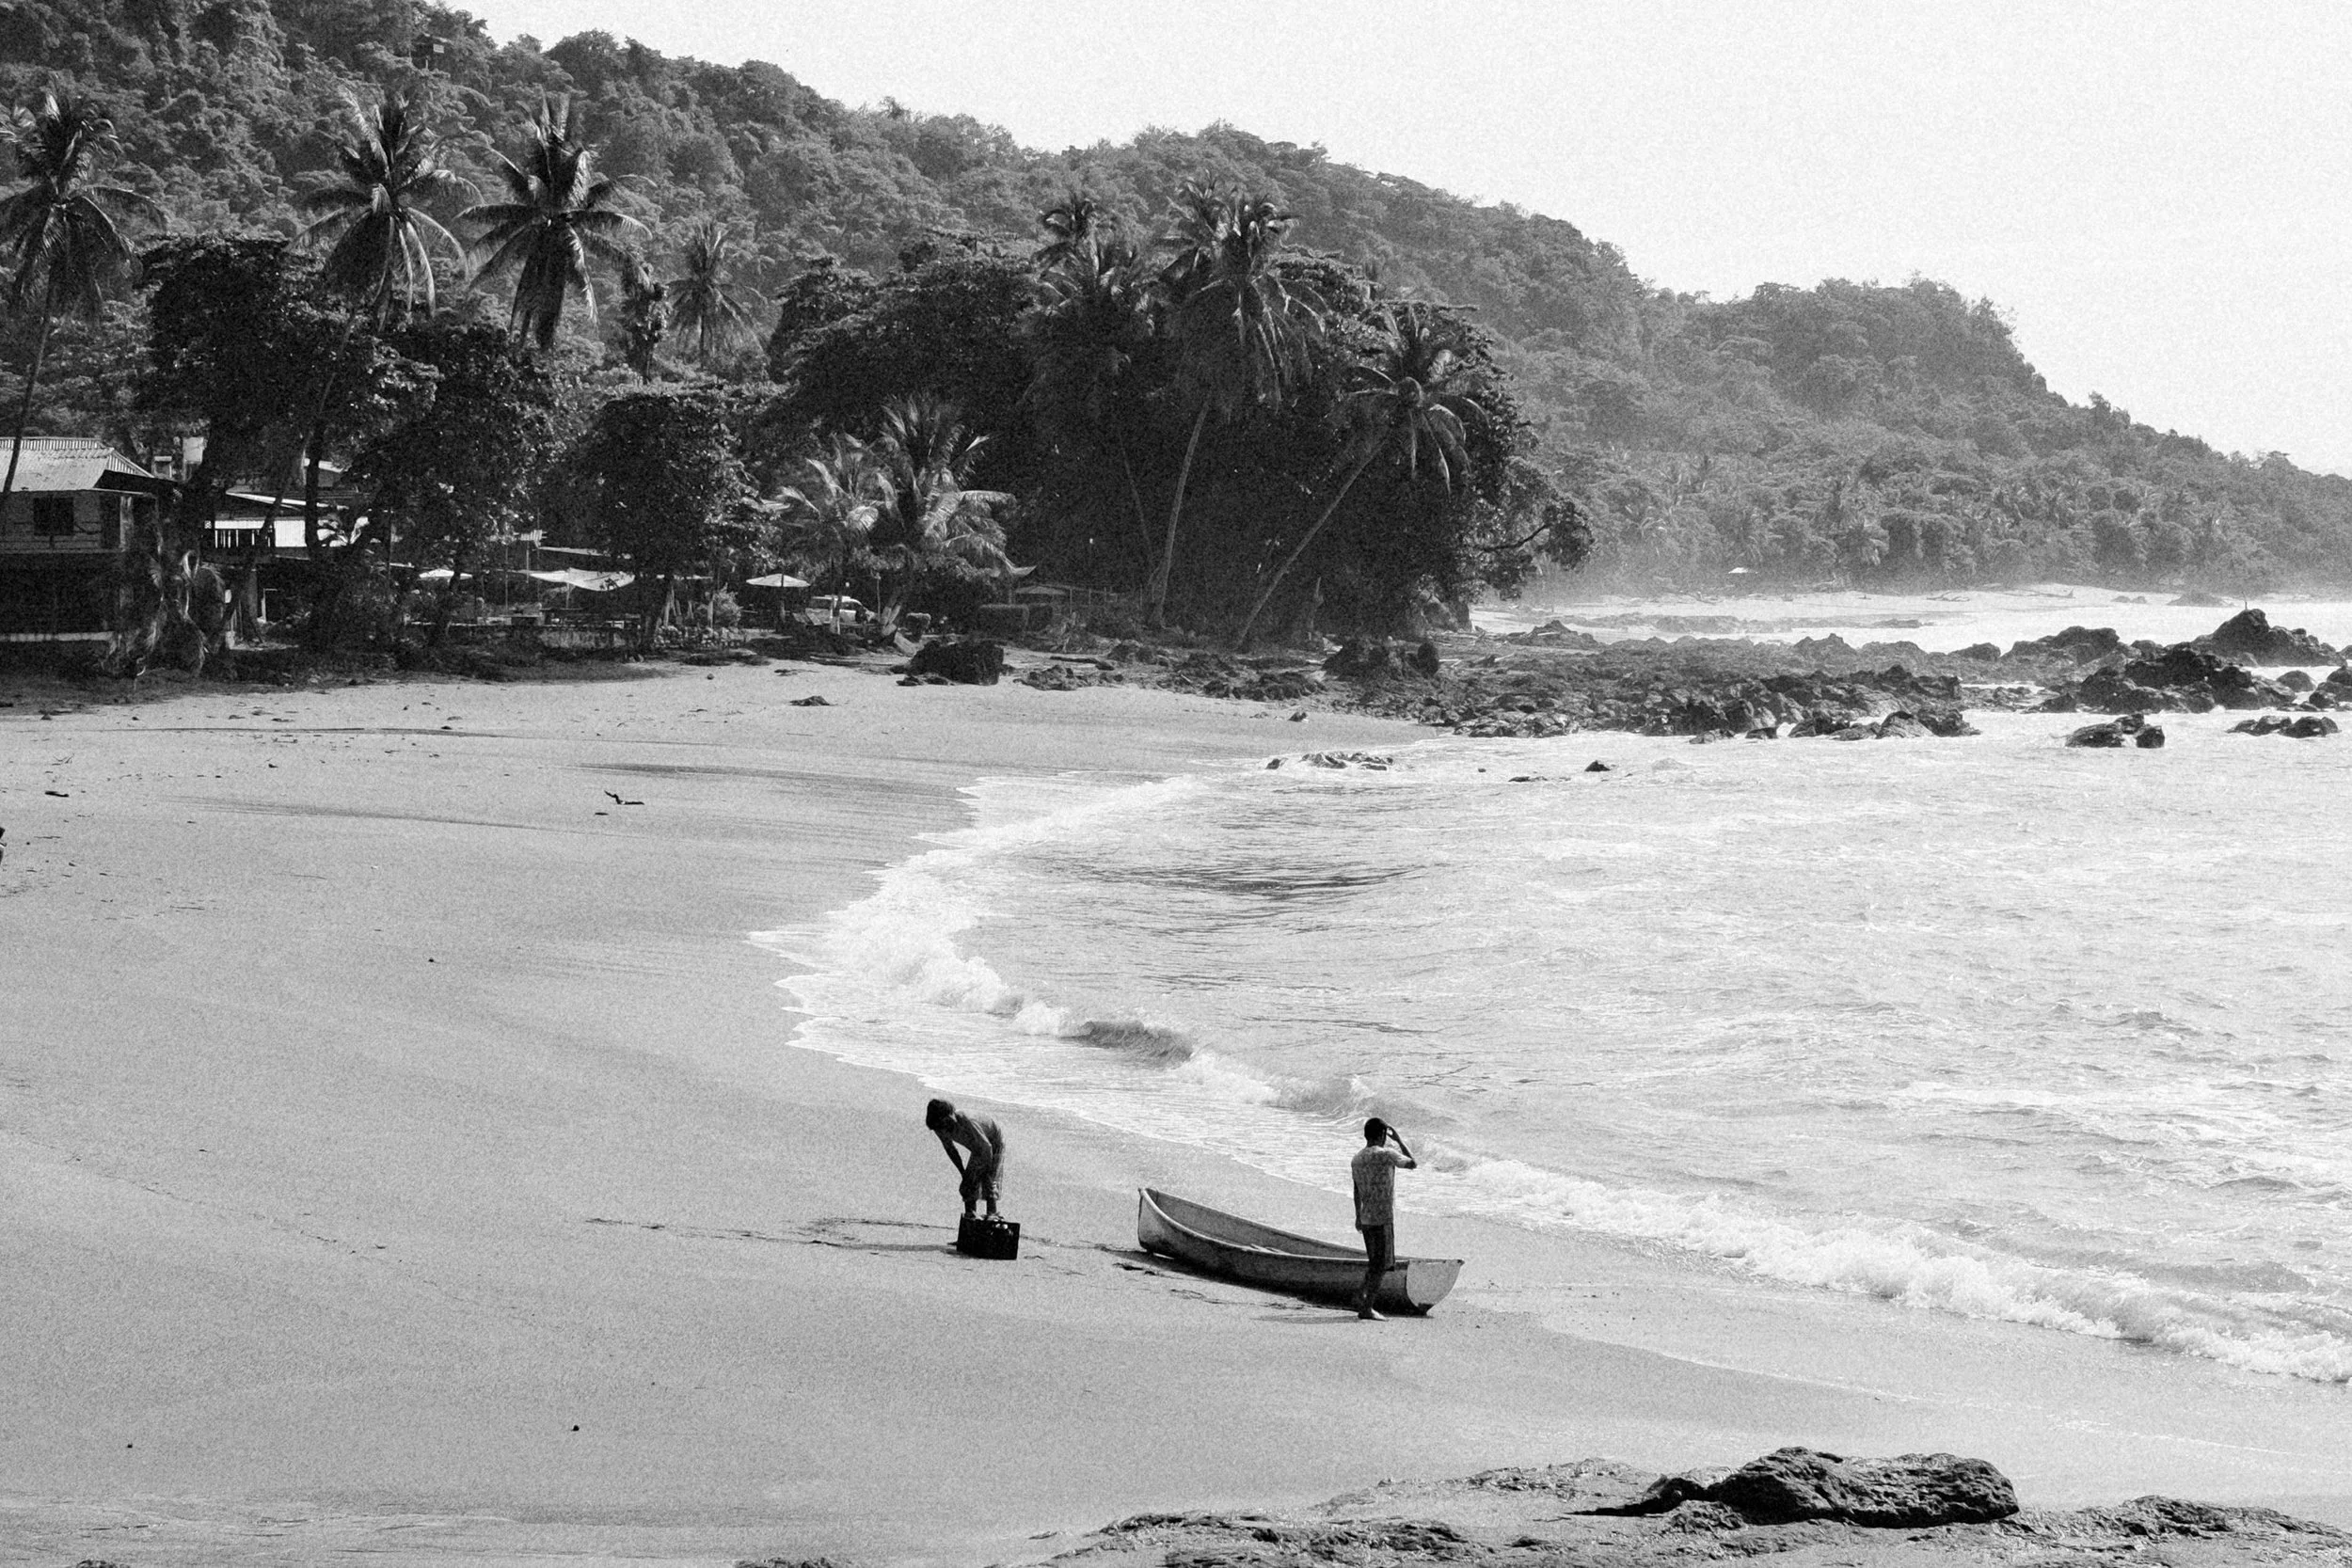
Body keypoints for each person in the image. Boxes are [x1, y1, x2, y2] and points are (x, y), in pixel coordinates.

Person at [1349, 1116, 1417, 1320]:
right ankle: (1367, 1307)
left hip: (1367, 1217)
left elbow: (1356, 1190)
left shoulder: (1357, 1159)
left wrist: (1357, 1216)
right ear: (1382, 1136)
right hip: (1383, 1217)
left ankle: (1360, 1295)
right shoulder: (1386, 1154)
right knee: (1381, 1265)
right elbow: (1413, 1163)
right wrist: (1399, 1140)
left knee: (1374, 1262)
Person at [925, 1098, 1007, 1218]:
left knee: (989, 1179)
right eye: (944, 1123)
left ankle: (992, 1213)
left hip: (993, 1140)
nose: (951, 1123)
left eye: (951, 1118)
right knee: (968, 1182)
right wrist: (962, 1172)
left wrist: (987, 1172)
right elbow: (951, 1151)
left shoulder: (967, 1121)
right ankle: (971, 1213)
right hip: (978, 1146)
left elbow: (986, 1147)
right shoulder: (940, 1127)